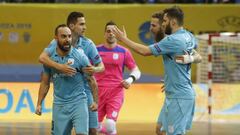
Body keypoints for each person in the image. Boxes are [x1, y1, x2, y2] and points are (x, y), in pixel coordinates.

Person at [112, 6, 198, 135]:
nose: (163, 25)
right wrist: (173, 76)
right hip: (176, 93)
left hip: (179, 97)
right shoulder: (188, 36)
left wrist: (123, 39)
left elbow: (145, 51)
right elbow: (199, 56)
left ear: (173, 22)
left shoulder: (172, 40)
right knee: (160, 129)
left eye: (164, 21)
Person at [38, 12, 104, 135]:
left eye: (85, 24)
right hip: (62, 95)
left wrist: (94, 69)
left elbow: (101, 67)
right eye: (82, 24)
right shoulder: (54, 44)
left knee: (92, 129)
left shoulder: (87, 45)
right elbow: (42, 58)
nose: (85, 27)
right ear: (72, 26)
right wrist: (61, 67)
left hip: (84, 92)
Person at [35, 24, 91, 135]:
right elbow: (45, 83)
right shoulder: (49, 57)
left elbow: (92, 79)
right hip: (59, 104)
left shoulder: (79, 56)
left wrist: (95, 101)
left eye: (69, 36)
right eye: (64, 36)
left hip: (78, 102)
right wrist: (39, 104)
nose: (67, 39)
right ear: (56, 38)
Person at [95, 21, 141, 135]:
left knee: (110, 125)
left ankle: (111, 130)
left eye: (114, 31)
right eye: (108, 31)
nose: (111, 33)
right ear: (104, 34)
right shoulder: (95, 50)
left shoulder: (124, 51)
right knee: (94, 128)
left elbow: (136, 70)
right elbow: (87, 68)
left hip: (116, 91)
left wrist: (129, 80)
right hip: (97, 92)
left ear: (118, 34)